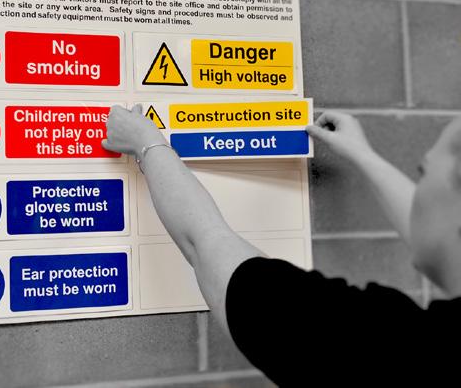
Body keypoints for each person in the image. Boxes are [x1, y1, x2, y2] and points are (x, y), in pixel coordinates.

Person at [102, 106, 461, 387]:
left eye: (423, 172)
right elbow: (440, 229)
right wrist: (363, 155)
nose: (418, 193)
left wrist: (147, 145)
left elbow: (206, 242)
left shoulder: (382, 349)